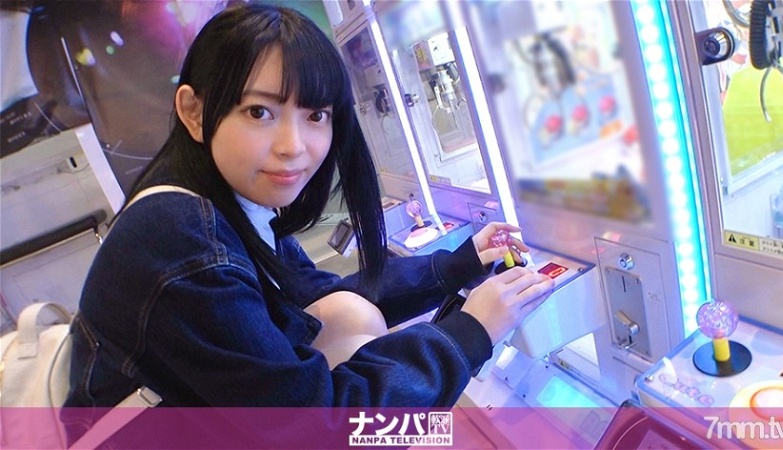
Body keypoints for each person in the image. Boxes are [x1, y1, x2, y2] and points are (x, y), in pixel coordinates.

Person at [65, 3, 554, 411]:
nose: (293, 146)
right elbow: (317, 429)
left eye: (316, 114)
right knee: (413, 422)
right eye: (260, 112)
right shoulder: (187, 245)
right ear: (194, 111)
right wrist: (471, 331)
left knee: (350, 315)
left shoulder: (219, 203)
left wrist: (458, 265)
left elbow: (317, 296)